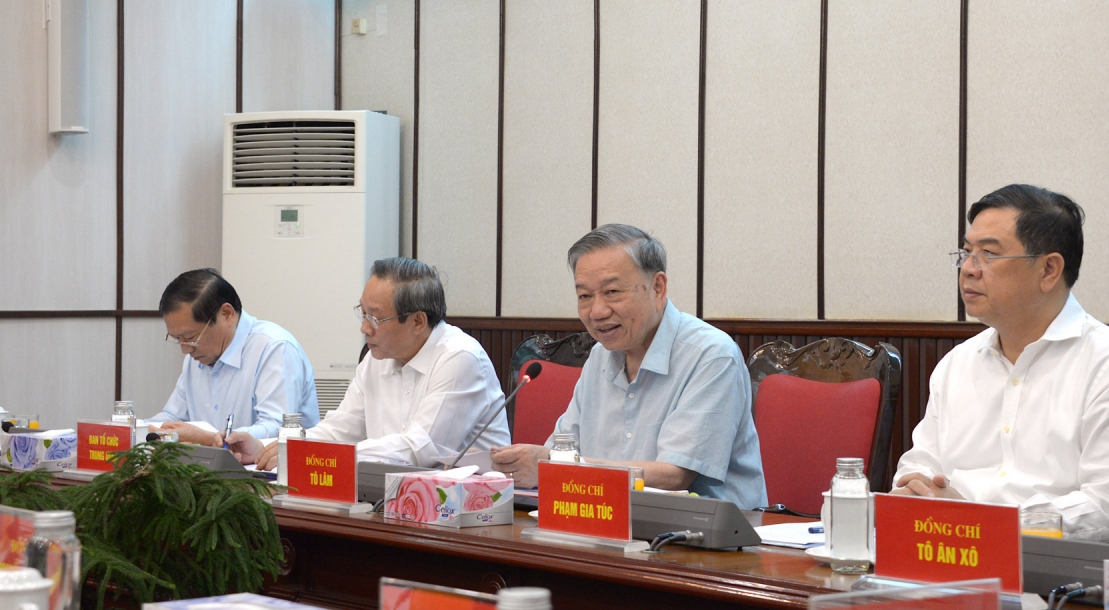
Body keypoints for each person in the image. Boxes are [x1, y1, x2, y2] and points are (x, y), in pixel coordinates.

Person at [892, 184, 1109, 545]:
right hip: (956, 558)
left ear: (1048, 270)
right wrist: (917, 489)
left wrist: (983, 524)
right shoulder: (957, 364)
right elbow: (920, 464)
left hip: (1072, 576)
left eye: (988, 254)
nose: (968, 270)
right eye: (966, 252)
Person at [491, 224, 768, 510]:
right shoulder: (599, 357)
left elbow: (675, 476)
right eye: (585, 296)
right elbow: (563, 449)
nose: (597, 311)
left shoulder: (711, 355)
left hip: (706, 530)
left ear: (657, 288)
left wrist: (553, 465)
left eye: (612, 291)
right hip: (608, 518)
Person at [229, 257, 509, 468]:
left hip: (471, 509)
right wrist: (268, 447)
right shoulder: (378, 358)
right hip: (389, 498)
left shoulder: (459, 358)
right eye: (362, 313)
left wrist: (312, 454)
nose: (364, 328)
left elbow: (419, 451)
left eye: (375, 318)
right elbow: (340, 429)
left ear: (417, 321)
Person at [149, 268, 319, 446]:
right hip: (212, 463)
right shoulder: (197, 355)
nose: (185, 349)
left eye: (190, 337)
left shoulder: (274, 348)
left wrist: (209, 438)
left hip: (273, 463)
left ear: (226, 314)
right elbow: (173, 417)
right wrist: (143, 429)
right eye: (178, 339)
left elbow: (278, 428)